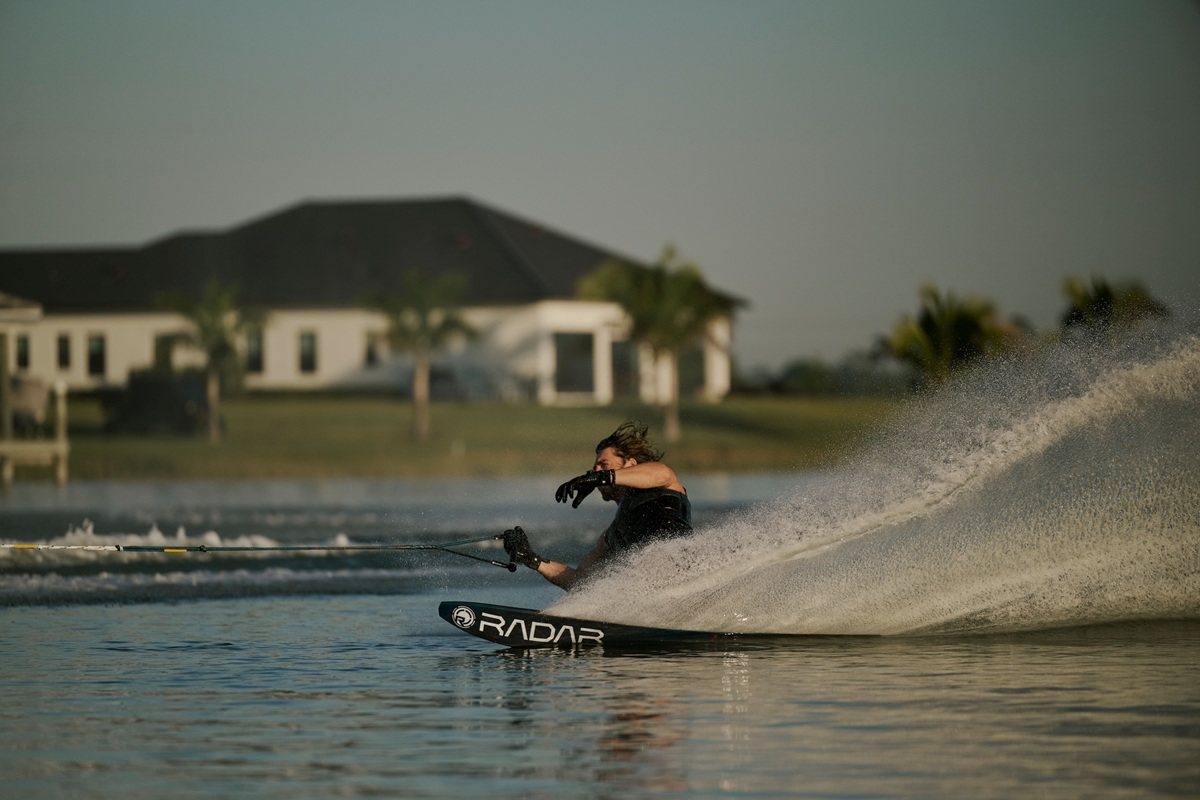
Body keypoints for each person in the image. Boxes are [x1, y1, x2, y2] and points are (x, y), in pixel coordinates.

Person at [502, 421, 691, 589]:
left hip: (687, 576)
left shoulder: (659, 483)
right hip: (656, 594)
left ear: (631, 464)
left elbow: (662, 473)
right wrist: (532, 559)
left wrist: (600, 478)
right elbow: (580, 581)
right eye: (594, 469)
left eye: (604, 465)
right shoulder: (611, 536)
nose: (596, 471)